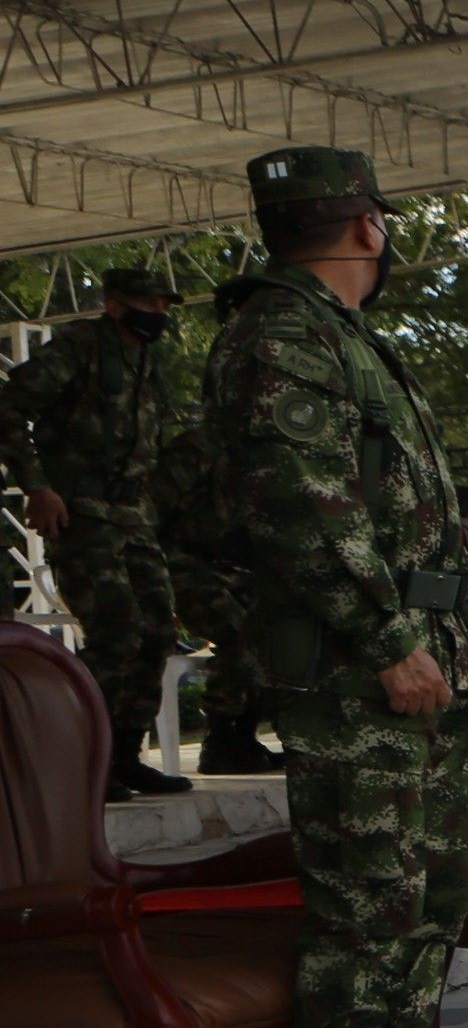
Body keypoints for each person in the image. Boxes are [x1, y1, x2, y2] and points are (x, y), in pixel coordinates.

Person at [204, 147, 468, 1028]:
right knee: (363, 894)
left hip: (407, 647)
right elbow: (304, 512)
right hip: (352, 670)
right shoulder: (282, 334)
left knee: (427, 882)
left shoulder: (339, 336)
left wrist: (461, 622)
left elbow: (405, 513)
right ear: (367, 227)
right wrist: (388, 638)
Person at [1, 264, 193, 797]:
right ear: (114, 304)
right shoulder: (79, 347)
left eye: (162, 307)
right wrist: (37, 487)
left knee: (156, 632)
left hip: (133, 515)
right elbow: (10, 409)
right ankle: (85, 759)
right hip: (83, 512)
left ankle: (124, 755)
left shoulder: (146, 360)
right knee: (115, 631)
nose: (158, 315)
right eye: (148, 304)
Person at [151, 275, 282, 775]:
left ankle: (248, 733)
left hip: (232, 569)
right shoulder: (199, 447)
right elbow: (152, 515)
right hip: (182, 566)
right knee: (244, 628)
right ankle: (224, 738)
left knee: (283, 621)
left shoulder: (264, 454)